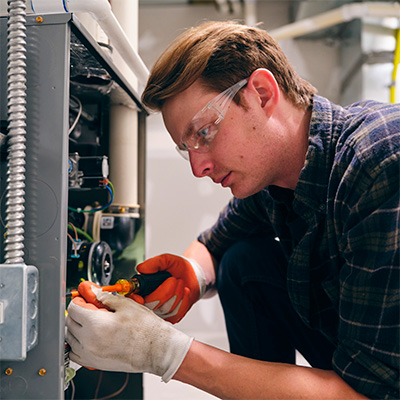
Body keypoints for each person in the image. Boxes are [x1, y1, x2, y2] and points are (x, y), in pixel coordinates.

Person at [66, 20, 400, 399]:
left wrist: (161, 351)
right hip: (360, 369)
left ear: (261, 93)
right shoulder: (273, 180)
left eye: (203, 134)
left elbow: (370, 395)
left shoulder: (380, 162)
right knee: (243, 262)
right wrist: (191, 275)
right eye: (186, 148)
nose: (198, 168)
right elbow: (215, 246)